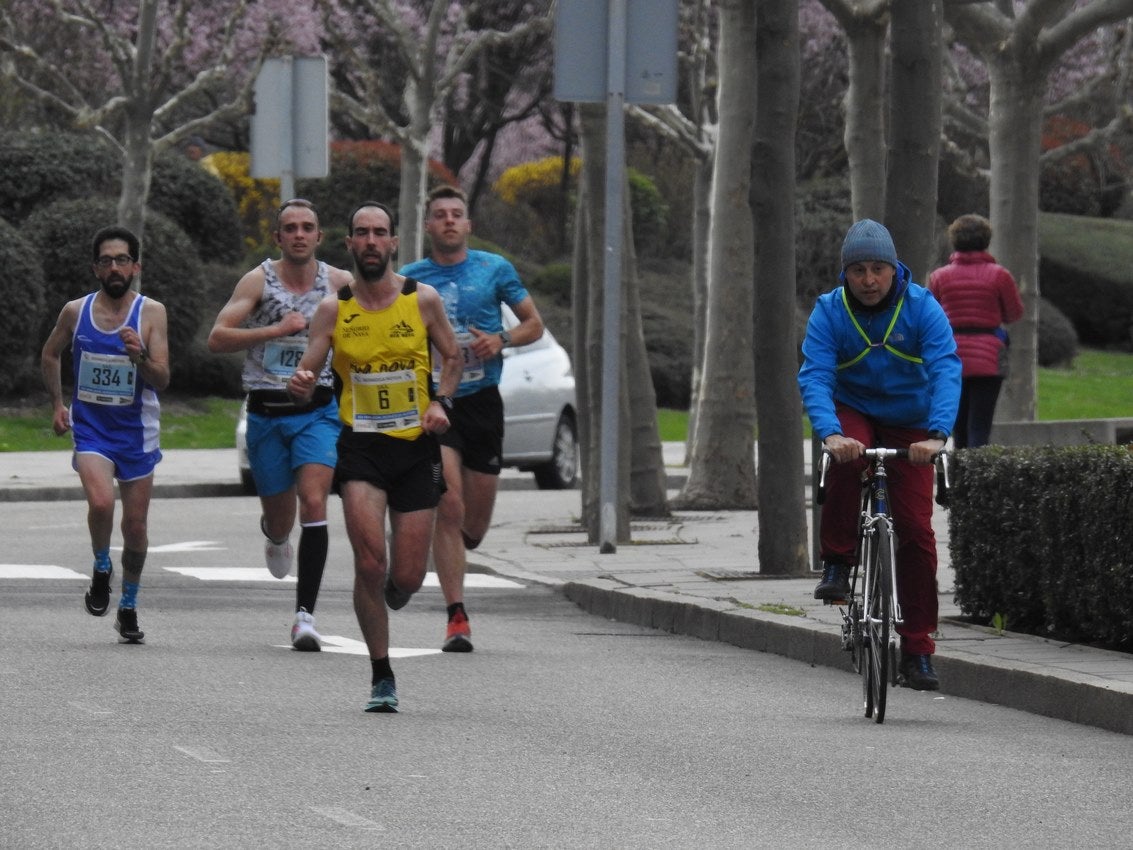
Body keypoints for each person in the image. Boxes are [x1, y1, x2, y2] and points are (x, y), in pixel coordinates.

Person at [288, 201, 461, 712]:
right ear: (350, 243)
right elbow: (308, 373)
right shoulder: (333, 309)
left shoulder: (422, 300)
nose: (369, 242)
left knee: (405, 578)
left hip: (415, 449)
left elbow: (451, 356)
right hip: (361, 448)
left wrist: (440, 402)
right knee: (369, 561)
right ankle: (381, 674)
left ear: (392, 244)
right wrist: (300, 383)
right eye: (360, 233)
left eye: (378, 233)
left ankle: (393, 591)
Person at [798, 219, 961, 691]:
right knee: (850, 459)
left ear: (894, 271)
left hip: (913, 422)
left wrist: (937, 434)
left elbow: (946, 368)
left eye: (878, 269)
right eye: (859, 270)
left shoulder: (922, 308)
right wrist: (829, 433)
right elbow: (815, 376)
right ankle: (837, 561)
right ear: (845, 274)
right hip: (854, 412)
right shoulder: (828, 312)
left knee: (915, 531)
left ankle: (917, 650)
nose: (869, 280)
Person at [398, 185, 545, 652]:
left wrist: (501, 339)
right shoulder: (410, 280)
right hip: (438, 402)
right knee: (450, 505)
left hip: (483, 400)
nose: (447, 221)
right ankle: (456, 616)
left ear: (467, 224)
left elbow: (533, 324)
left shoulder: (493, 269)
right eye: (439, 214)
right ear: (428, 226)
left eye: (455, 214)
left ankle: (452, 550)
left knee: (474, 527)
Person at [207, 199, 353, 651]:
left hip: (317, 411)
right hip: (267, 413)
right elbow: (217, 338)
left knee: (314, 502)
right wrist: (275, 330)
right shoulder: (259, 280)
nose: (299, 235)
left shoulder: (340, 283)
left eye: (307, 227)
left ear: (319, 236)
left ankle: (304, 617)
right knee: (280, 516)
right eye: (290, 228)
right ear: (277, 237)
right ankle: (273, 533)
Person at [40, 225, 171, 645]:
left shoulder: (152, 313)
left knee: (135, 528)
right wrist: (59, 404)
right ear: (96, 268)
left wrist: (140, 356)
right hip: (93, 430)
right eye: (106, 260)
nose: (114, 267)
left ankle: (128, 606)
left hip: (137, 433)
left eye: (122, 260)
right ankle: (100, 565)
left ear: (136, 266)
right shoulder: (76, 312)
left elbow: (162, 378)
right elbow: (50, 353)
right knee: (100, 501)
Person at [928, 213, 1024, 449]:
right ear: (986, 240)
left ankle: (959, 480)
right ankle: (977, 479)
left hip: (951, 357)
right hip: (989, 358)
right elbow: (1014, 314)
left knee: (958, 426)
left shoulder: (939, 277)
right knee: (980, 426)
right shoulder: (1000, 276)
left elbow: (931, 318)